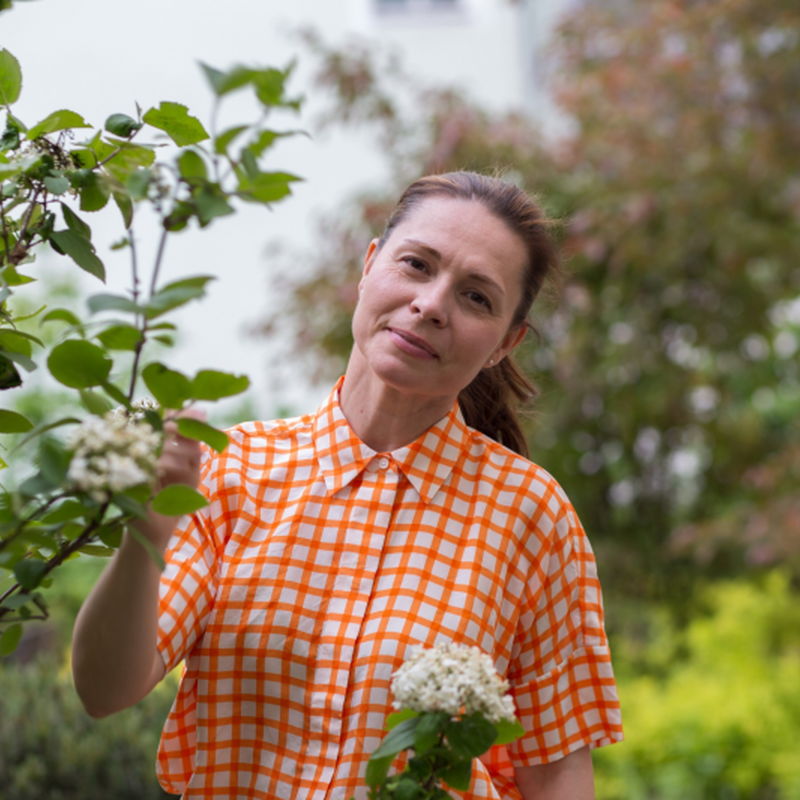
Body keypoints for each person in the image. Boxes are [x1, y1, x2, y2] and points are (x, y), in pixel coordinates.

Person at [72, 171, 623, 800]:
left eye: (477, 298)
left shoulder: (532, 516)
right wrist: (144, 539)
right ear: (369, 265)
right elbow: (104, 689)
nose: (433, 304)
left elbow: (555, 770)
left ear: (506, 342)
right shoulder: (233, 472)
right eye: (417, 264)